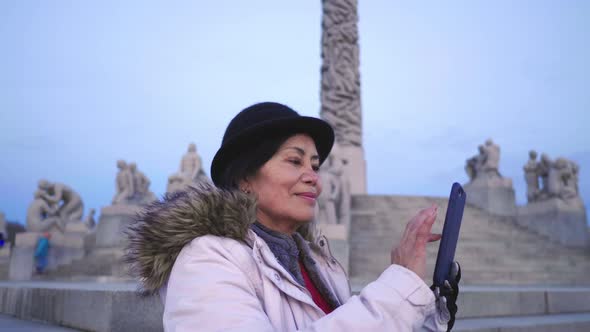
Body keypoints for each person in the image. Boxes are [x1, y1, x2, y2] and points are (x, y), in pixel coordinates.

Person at [126, 102, 461, 331]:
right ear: (245, 178)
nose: (314, 176)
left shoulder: (319, 264)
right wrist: (397, 287)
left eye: (315, 166)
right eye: (295, 161)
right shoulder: (207, 258)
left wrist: (428, 312)